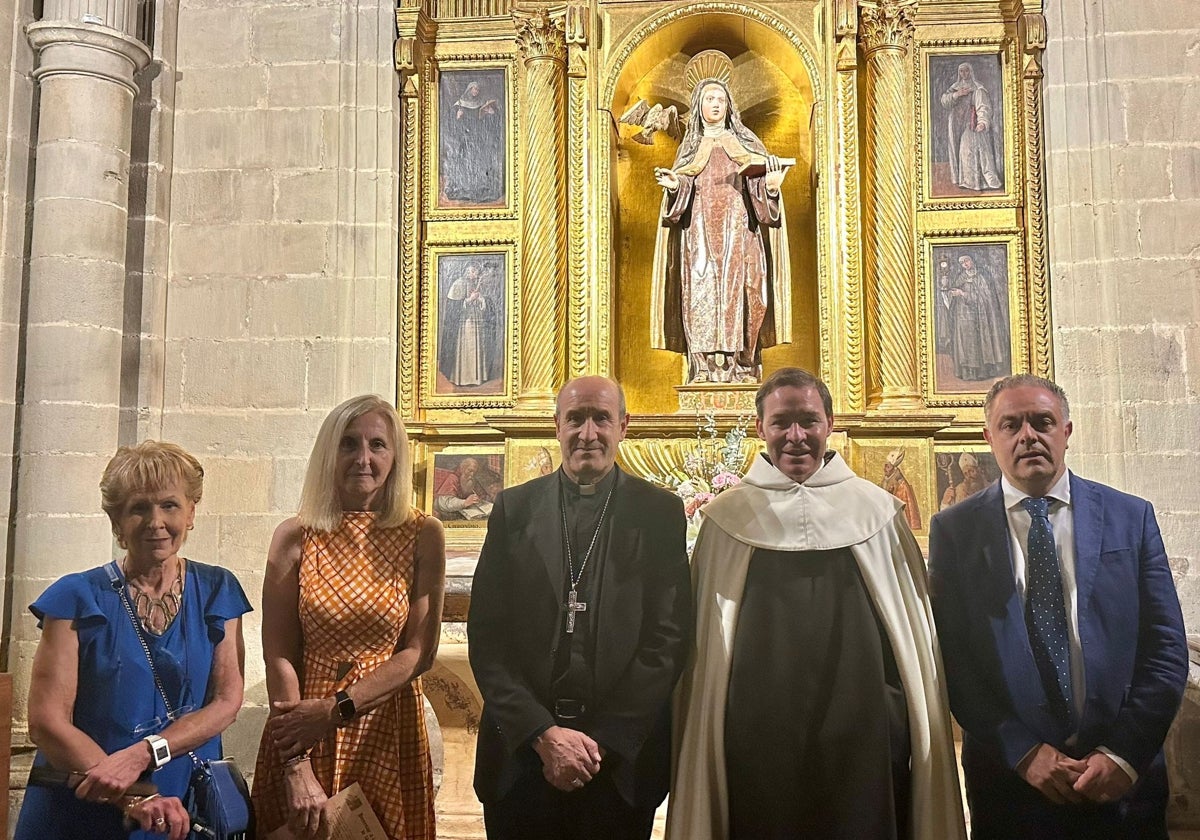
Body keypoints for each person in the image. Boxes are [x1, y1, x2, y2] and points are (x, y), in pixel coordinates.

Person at [668, 367, 965, 840]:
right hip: (754, 736)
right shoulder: (726, 521)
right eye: (781, 422)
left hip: (864, 736)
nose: (795, 436)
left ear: (829, 422)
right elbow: (705, 649)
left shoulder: (877, 512)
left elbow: (912, 641)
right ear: (760, 428)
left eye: (808, 420)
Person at [929, 375, 1187, 839]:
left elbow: (1166, 651)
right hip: (1012, 789)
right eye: (1011, 425)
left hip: (1122, 788)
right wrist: (1025, 753)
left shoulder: (1131, 517)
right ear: (989, 438)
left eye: (1042, 422)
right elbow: (955, 661)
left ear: (1066, 431)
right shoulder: (955, 532)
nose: (1027, 435)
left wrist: (1124, 755)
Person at [468, 375, 691, 840]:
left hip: (615, 767)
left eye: (601, 419)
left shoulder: (659, 513)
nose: (587, 434)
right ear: (556, 425)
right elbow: (488, 638)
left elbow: (667, 640)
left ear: (623, 426)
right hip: (522, 759)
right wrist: (542, 736)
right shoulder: (514, 509)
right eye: (575, 419)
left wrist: (601, 743)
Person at [15, 441, 251, 840]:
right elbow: (47, 721)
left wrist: (146, 753)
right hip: (85, 799)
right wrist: (128, 793)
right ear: (116, 520)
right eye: (139, 508)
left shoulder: (218, 590)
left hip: (180, 804)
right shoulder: (75, 597)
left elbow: (226, 702)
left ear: (191, 512)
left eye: (169, 505)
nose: (155, 521)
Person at [252, 394, 446, 840]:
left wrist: (337, 708)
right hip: (302, 724)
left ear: (395, 456)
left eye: (378, 445)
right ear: (328, 454)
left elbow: (419, 652)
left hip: (386, 722)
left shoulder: (423, 534)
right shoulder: (296, 535)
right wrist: (295, 764)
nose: (363, 458)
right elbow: (279, 653)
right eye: (349, 444)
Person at [650, 77, 791, 384]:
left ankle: (742, 365)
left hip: (741, 231)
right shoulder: (690, 148)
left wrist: (770, 186)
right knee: (701, 292)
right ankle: (702, 368)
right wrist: (676, 187)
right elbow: (684, 183)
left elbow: (760, 187)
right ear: (699, 107)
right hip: (699, 233)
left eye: (721, 100)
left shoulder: (746, 143)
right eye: (709, 99)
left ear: (729, 108)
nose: (715, 104)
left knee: (748, 291)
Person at [939, 61, 1003, 191]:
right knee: (959, 150)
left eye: (966, 71)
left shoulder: (977, 88)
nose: (964, 74)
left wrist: (982, 122)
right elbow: (944, 101)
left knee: (968, 150)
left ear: (970, 72)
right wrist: (957, 94)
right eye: (961, 71)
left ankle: (974, 182)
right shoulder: (955, 87)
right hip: (957, 124)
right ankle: (963, 180)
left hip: (971, 123)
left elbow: (983, 106)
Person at [947, 254, 1010, 381]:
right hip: (964, 317)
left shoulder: (982, 276)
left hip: (982, 318)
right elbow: (953, 294)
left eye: (966, 261)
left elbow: (985, 297)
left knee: (981, 342)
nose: (965, 264)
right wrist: (953, 294)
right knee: (967, 343)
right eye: (962, 263)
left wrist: (964, 294)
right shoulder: (961, 278)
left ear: (972, 261)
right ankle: (969, 372)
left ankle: (984, 371)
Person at [442, 263, 492, 387]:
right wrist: (469, 300)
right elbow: (453, 307)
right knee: (467, 348)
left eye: (476, 272)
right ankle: (464, 378)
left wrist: (481, 300)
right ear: (467, 272)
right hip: (465, 322)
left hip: (475, 320)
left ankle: (477, 378)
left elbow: (483, 305)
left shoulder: (475, 284)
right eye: (473, 272)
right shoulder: (458, 283)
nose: (476, 275)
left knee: (476, 347)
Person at [882, 448, 922, 531]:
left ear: (894, 468)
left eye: (888, 466)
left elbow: (900, 507)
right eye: (885, 466)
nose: (885, 469)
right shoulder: (886, 480)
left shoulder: (902, 486)